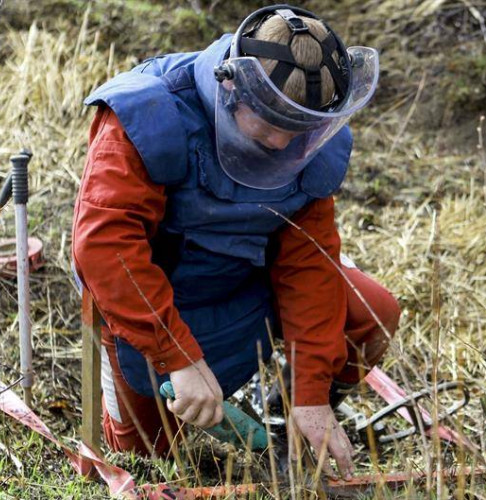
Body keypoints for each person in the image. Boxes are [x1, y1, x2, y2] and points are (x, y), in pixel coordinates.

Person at [71, 5, 399, 480]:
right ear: (231, 89)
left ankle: (291, 431)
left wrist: (311, 394)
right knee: (148, 463)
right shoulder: (150, 114)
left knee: (373, 313)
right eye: (269, 126)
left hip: (246, 288)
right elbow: (106, 251)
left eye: (300, 131)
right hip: (153, 308)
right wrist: (176, 355)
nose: (286, 146)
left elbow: (310, 260)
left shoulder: (307, 139)